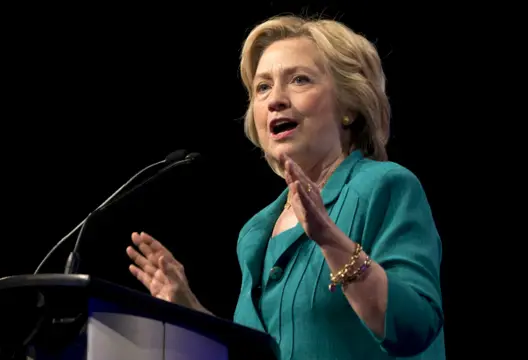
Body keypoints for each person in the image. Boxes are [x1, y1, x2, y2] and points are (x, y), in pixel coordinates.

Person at [126, 15, 445, 360]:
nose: (274, 99)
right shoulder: (255, 233)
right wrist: (190, 312)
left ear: (350, 105)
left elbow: (415, 326)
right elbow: (259, 354)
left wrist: (330, 240)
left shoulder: (385, 187)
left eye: (299, 80)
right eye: (262, 87)